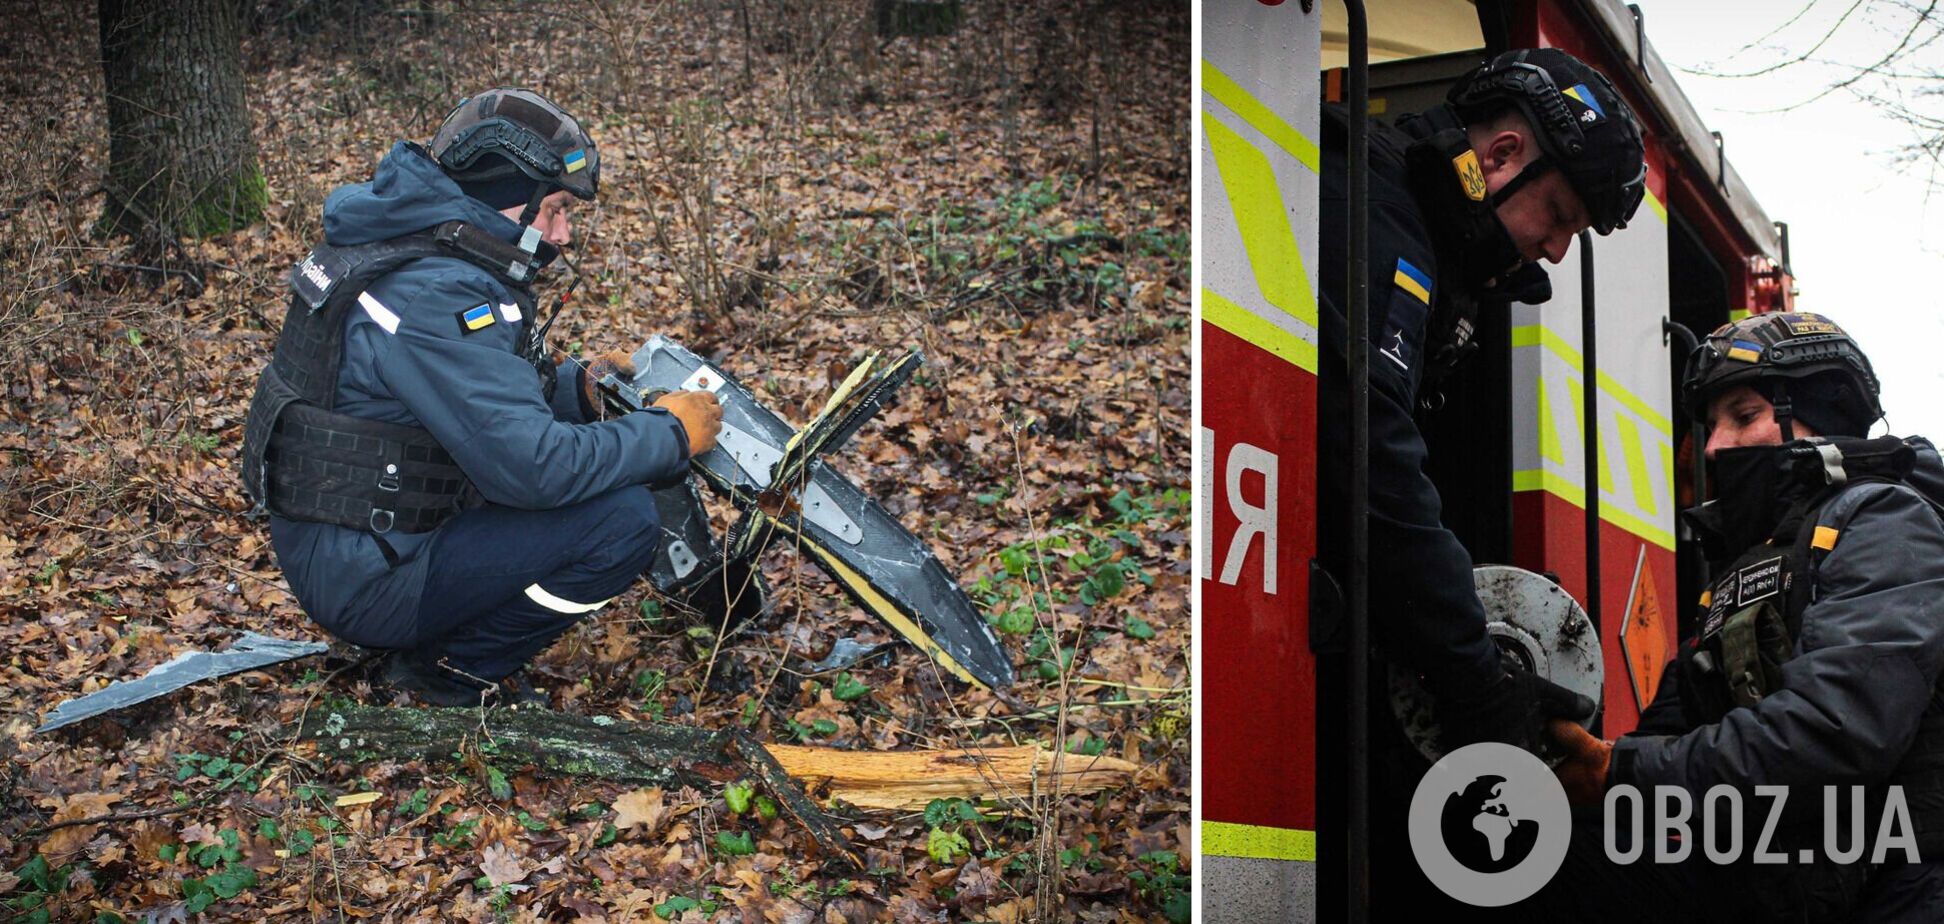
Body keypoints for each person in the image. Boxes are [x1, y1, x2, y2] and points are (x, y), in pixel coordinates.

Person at [238, 88, 723, 707]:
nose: (563, 235)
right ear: (506, 202)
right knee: (623, 522)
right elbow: (533, 470)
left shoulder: (409, 240)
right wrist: (671, 433)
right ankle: (448, 671)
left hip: (354, 540)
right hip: (370, 575)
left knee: (609, 475)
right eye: (553, 210)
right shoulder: (437, 296)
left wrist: (579, 391)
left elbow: (472, 402)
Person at [1312, 47, 1647, 915]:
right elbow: (1370, 456)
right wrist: (1471, 673)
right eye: (1562, 215)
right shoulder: (1375, 209)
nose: (1557, 250)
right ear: (1499, 156)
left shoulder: (1438, 247)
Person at [1537, 311, 1944, 922]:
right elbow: (1668, 725)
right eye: (1710, 425)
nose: (1714, 446)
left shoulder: (1884, 519)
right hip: (1786, 878)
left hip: (1891, 890)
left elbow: (1832, 730)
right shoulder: (1752, 566)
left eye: (1744, 416)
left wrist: (1617, 771)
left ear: (1816, 417)